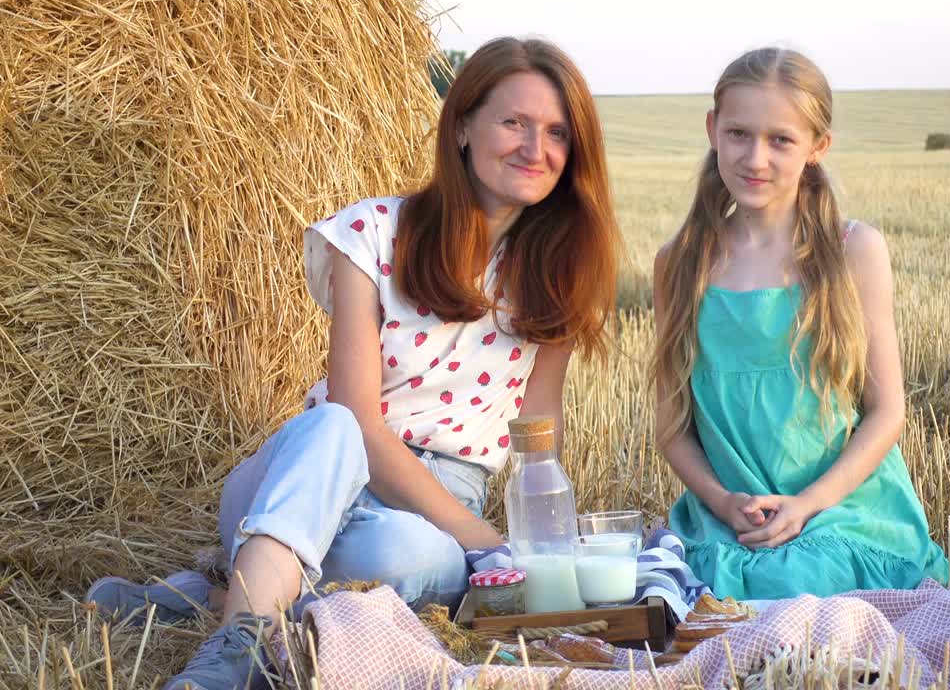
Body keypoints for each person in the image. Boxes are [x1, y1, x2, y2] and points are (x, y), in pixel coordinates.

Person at [86, 36, 620, 690]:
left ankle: (226, 589)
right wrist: (482, 541)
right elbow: (357, 422)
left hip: (431, 510)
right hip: (315, 466)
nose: (535, 149)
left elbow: (539, 431)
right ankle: (235, 650)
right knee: (338, 428)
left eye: (557, 133)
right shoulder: (371, 233)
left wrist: (544, 554)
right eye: (514, 122)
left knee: (404, 560)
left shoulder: (558, 274)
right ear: (461, 127)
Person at [652, 47, 949, 601]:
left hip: (842, 510)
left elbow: (886, 413)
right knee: (684, 597)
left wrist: (809, 504)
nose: (755, 158)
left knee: (803, 588)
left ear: (817, 147)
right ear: (714, 129)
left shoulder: (852, 250)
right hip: (726, 518)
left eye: (780, 140)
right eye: (739, 133)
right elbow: (672, 425)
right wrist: (719, 502)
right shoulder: (680, 262)